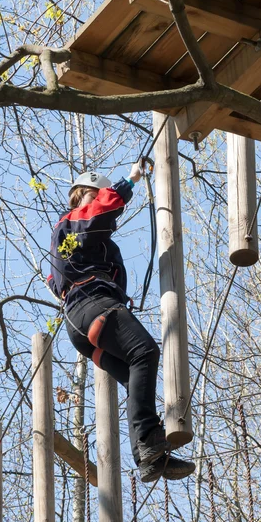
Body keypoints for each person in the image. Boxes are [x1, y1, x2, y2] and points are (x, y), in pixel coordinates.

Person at [48, 164, 195, 482]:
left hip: (80, 324)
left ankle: (149, 456)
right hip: (92, 306)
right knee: (144, 352)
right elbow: (99, 213)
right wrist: (131, 180)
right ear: (85, 195)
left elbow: (54, 278)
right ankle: (150, 443)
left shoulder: (71, 239)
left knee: (134, 374)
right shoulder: (74, 222)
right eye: (97, 195)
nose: (104, 202)